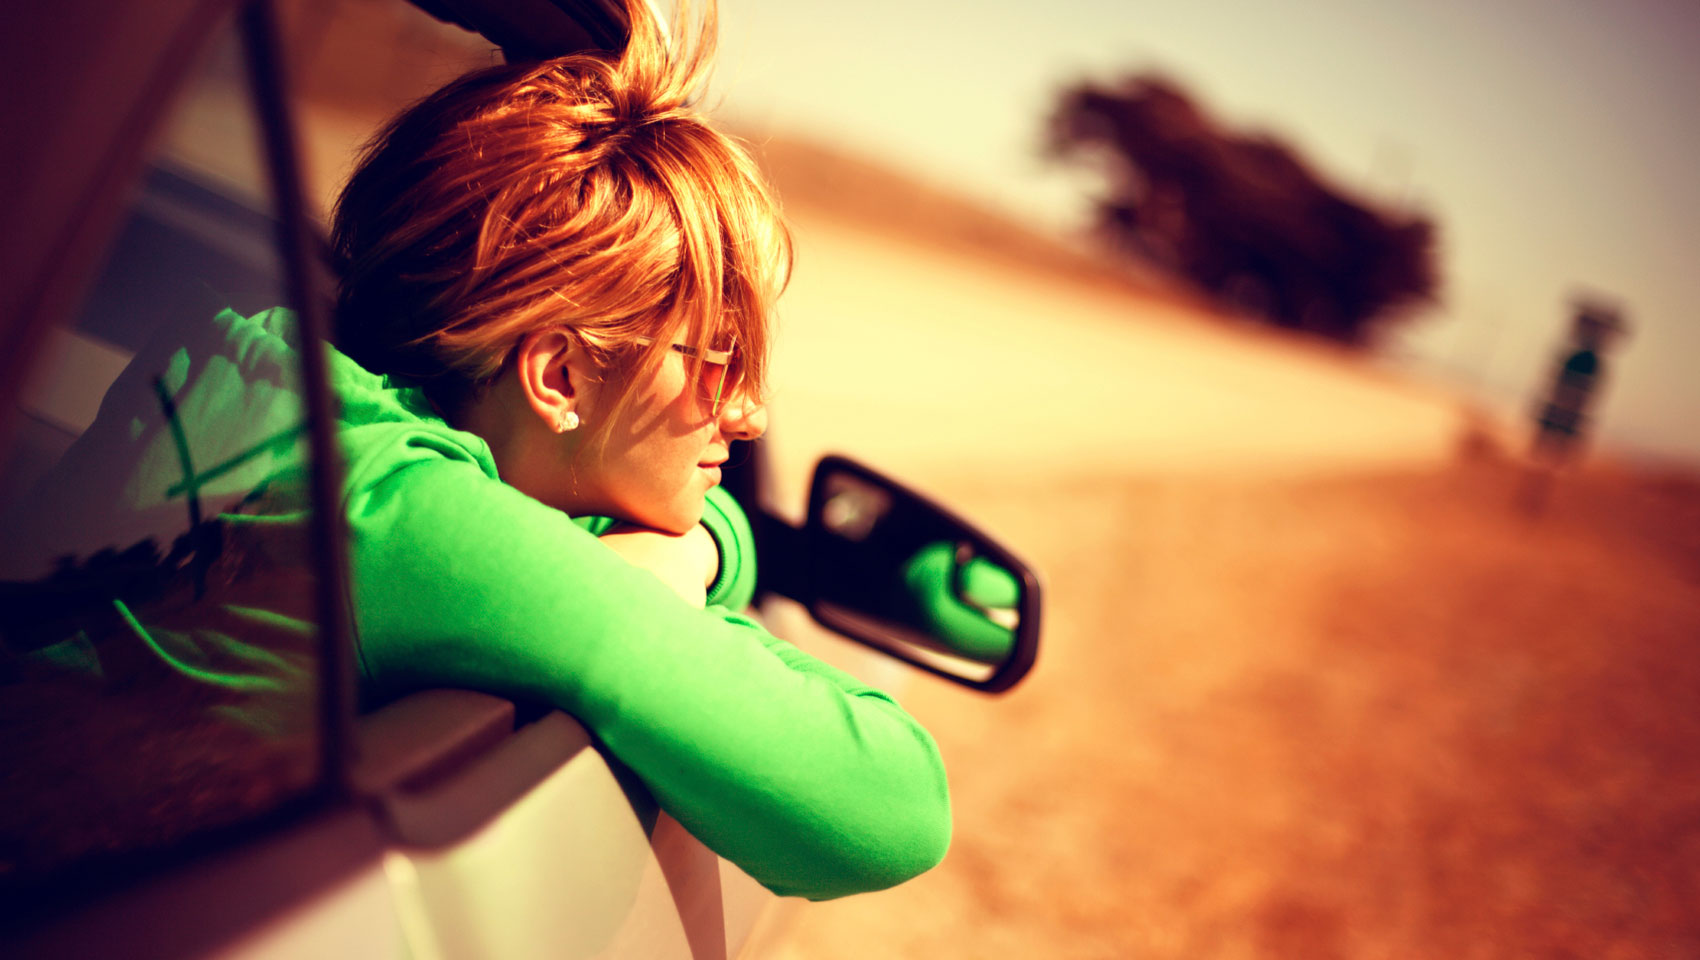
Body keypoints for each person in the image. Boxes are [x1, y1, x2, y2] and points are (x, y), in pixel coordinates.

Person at [1, 0, 949, 900]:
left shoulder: (282, 397)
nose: (746, 416)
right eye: (717, 359)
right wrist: (642, 568)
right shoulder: (406, 524)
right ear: (559, 379)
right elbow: (894, 806)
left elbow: (713, 537)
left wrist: (694, 547)